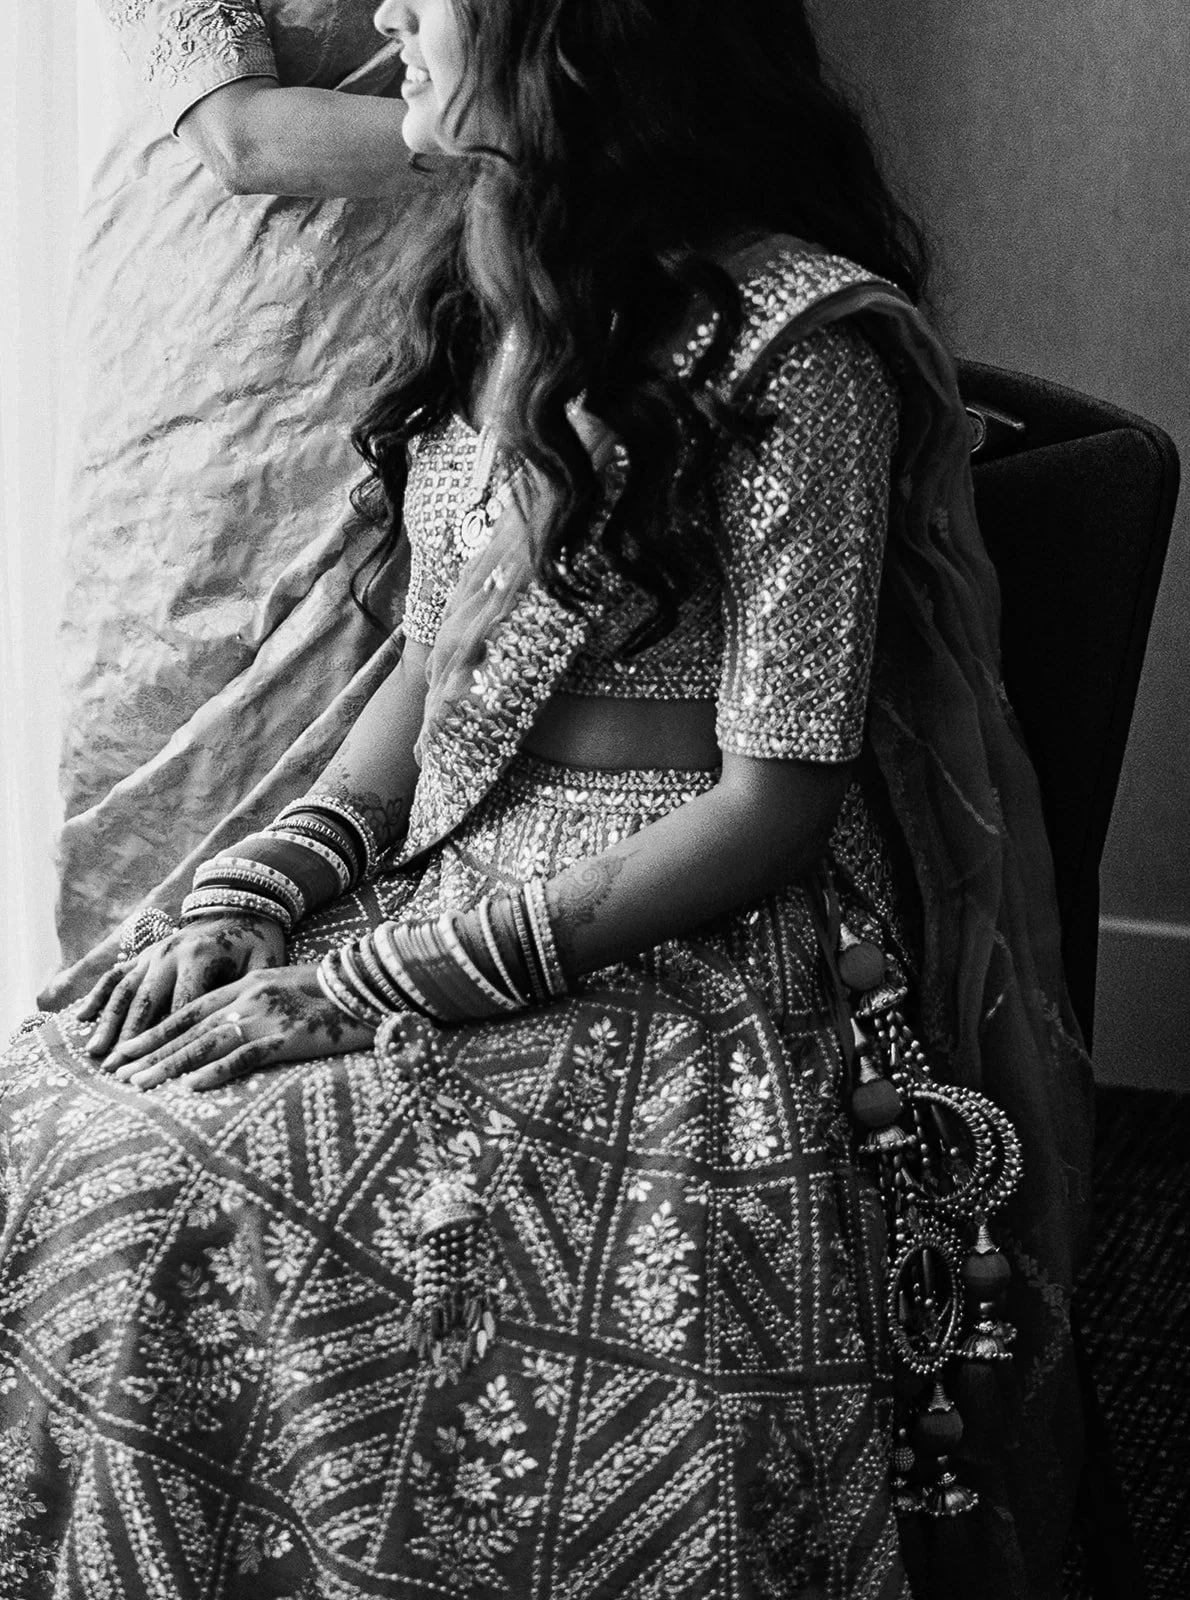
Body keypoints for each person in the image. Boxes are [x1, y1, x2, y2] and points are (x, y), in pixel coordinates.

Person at [3, 1, 1092, 1595]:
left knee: (227, 1174)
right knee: (62, 1104)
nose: (388, 13)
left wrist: (368, 986)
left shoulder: (801, 349)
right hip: (460, 865)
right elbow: (431, 664)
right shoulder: (508, 284)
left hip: (687, 945)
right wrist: (256, 899)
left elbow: (767, 812)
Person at [47, 0, 422, 1002]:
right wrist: (562, 140)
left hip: (439, 318)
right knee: (174, 708)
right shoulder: (546, 139)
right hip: (207, 364)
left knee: (416, 669)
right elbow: (240, 137)